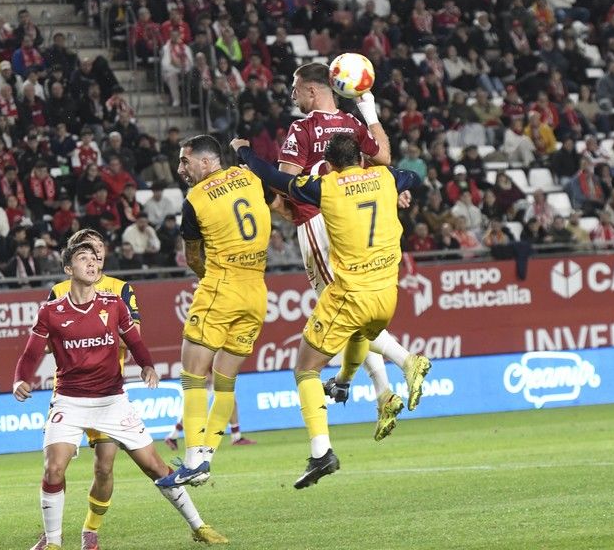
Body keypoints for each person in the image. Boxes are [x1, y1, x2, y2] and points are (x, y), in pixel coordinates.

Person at [13, 241, 227, 549]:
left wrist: (148, 367)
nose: (91, 264)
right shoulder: (50, 311)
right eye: (83, 259)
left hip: (113, 401)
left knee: (154, 465)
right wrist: (20, 378)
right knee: (54, 467)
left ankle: (198, 525)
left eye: (94, 260)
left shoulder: (113, 304)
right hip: (70, 401)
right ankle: (54, 542)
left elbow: (135, 342)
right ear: (68, 269)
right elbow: (31, 353)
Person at [235, 134, 420, 488]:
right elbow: (412, 177)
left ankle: (322, 452)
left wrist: (243, 152)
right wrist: (401, 185)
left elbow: (275, 178)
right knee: (361, 332)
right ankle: (377, 391)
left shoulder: (324, 187)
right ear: (361, 159)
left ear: (331, 163)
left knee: (305, 368)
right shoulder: (386, 177)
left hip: (347, 286)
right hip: (387, 292)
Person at [279, 62, 429, 441]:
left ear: (312, 91)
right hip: (355, 225)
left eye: (296, 89)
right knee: (352, 313)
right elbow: (382, 160)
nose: (292, 96)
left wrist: (282, 207)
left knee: (343, 310)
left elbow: (286, 181)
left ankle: (406, 361)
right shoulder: (352, 124)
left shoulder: (303, 128)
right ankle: (383, 394)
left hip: (318, 220)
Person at [155, 135, 270, 487]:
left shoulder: (196, 199)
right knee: (225, 379)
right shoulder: (250, 178)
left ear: (206, 162)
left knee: (191, 375)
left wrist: (216, 278)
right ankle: (206, 456)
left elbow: (192, 257)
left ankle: (192, 460)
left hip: (221, 288)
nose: (180, 169)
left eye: (185, 161)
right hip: (257, 291)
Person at [45, 229, 139, 550]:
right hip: (69, 393)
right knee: (56, 465)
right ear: (74, 257)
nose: (95, 257)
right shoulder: (58, 291)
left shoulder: (121, 290)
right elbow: (48, 339)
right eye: (87, 251)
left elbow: (132, 335)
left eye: (98, 250)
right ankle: (51, 531)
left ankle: (91, 529)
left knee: (104, 466)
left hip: (107, 395)